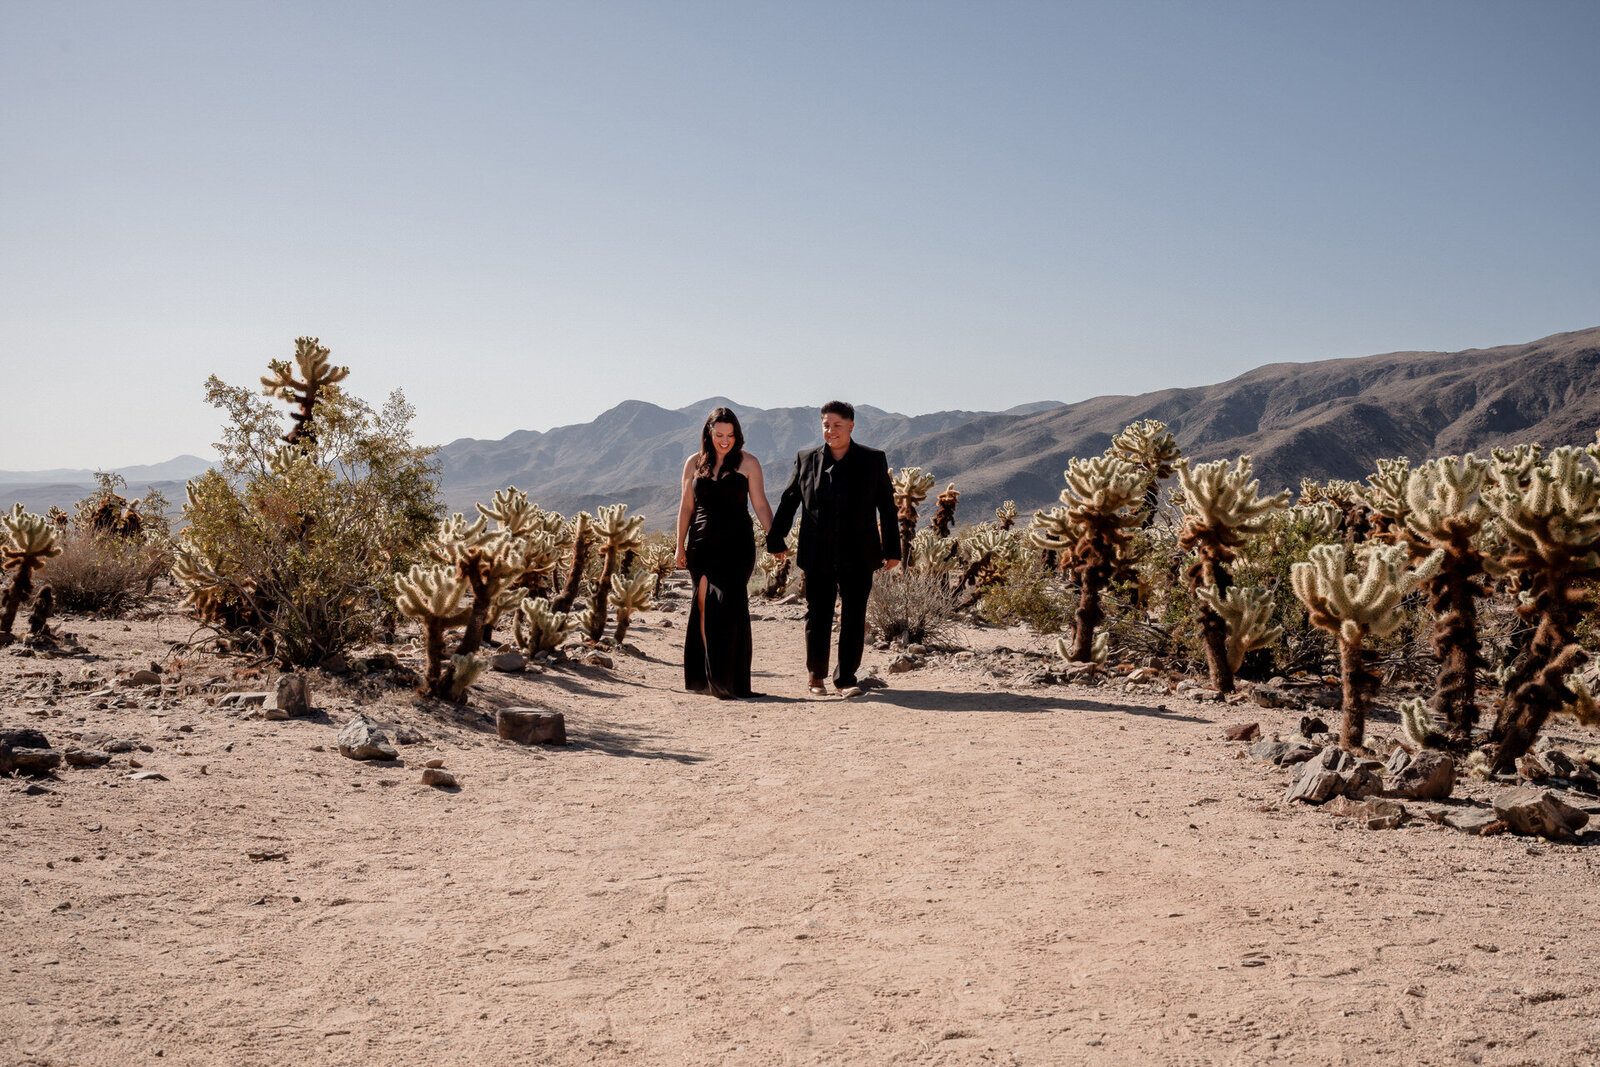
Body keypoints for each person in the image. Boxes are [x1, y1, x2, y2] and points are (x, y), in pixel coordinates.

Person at [767, 400, 900, 697]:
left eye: (837, 425)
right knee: (818, 614)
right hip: (818, 552)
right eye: (826, 425)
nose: (831, 431)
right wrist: (776, 540)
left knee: (854, 614)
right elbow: (789, 501)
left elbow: (887, 508)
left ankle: (846, 679)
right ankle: (816, 677)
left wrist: (892, 550)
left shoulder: (872, 459)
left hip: (860, 552)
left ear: (851, 426)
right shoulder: (805, 460)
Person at [675, 407, 775, 698]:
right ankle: (709, 677)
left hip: (737, 545)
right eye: (719, 434)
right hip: (702, 543)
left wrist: (774, 539)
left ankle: (729, 680)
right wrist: (679, 545)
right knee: (703, 605)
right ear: (709, 433)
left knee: (731, 609)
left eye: (730, 435)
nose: (724, 440)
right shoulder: (694, 463)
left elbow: (760, 505)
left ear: (737, 435)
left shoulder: (749, 463)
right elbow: (685, 507)